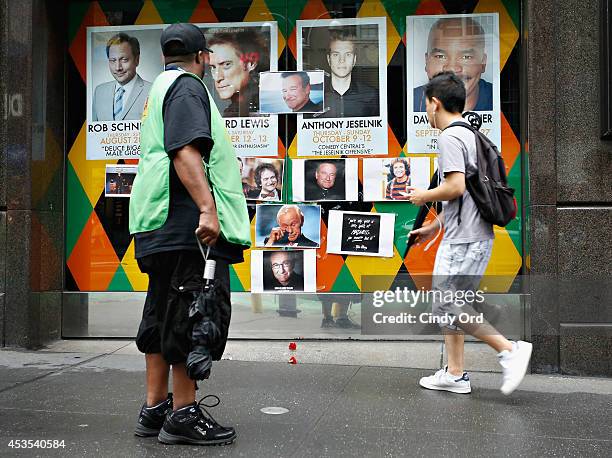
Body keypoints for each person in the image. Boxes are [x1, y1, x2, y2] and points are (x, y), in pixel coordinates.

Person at [128, 23, 251, 446]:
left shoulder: (159, 88)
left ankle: (155, 406)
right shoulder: (187, 88)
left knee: (161, 313)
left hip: (158, 221)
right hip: (185, 224)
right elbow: (185, 150)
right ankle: (182, 413)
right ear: (201, 57)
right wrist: (207, 209)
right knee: (190, 314)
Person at [407, 71, 531, 396]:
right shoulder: (468, 132)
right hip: (469, 236)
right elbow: (468, 194)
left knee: (448, 305)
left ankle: (509, 350)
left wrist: (423, 195)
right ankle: (456, 373)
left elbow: (455, 186)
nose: (425, 111)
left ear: (435, 103)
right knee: (453, 302)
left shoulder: (450, 136)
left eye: (425, 104)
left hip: (465, 240)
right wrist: (434, 226)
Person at [413, 17, 493, 113]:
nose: (452, 68)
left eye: (466, 57)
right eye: (440, 56)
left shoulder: (497, 99)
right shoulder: (410, 101)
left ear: (483, 63)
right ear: (427, 61)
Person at [92, 33, 152, 121]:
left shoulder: (152, 91)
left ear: (137, 60)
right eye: (113, 60)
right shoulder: (99, 91)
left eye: (124, 60)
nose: (118, 68)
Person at [207, 30, 268, 117]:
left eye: (226, 64)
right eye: (213, 67)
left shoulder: (264, 107)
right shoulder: (230, 112)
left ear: (250, 63)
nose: (217, 77)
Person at [320, 27, 379, 118]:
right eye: (336, 55)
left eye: (348, 54)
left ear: (354, 60)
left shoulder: (371, 95)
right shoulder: (314, 96)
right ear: (329, 59)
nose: (342, 60)